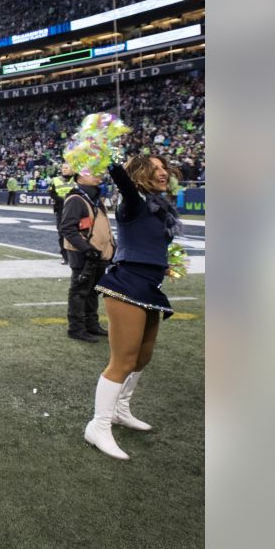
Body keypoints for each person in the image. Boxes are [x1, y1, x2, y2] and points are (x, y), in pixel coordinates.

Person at [84, 154, 182, 460]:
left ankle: (121, 410)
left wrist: (165, 264)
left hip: (150, 288)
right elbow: (124, 182)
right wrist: (112, 159)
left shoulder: (161, 208)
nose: (163, 172)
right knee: (122, 361)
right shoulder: (133, 203)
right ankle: (98, 427)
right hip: (126, 285)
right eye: (155, 169)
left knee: (143, 356)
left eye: (164, 168)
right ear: (140, 174)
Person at [59, 171, 115, 343]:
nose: (97, 175)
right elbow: (68, 229)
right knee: (79, 292)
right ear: (79, 178)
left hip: (98, 254)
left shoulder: (95, 199)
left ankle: (92, 324)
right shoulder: (76, 199)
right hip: (84, 255)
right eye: (90, 173)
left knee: (92, 292)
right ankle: (76, 328)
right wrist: (87, 250)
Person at [49, 163, 77, 263]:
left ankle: (75, 255)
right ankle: (65, 256)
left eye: (66, 168)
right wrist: (61, 200)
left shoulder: (77, 179)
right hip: (61, 209)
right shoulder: (55, 180)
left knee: (76, 232)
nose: (64, 169)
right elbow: (52, 193)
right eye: (63, 168)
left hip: (75, 209)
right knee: (62, 233)